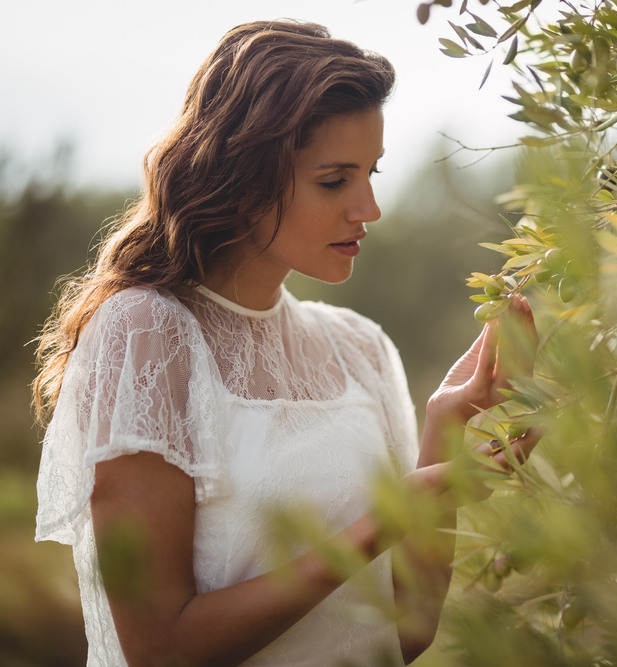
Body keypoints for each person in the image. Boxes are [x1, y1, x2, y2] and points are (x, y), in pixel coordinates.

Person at [32, 20, 541, 667]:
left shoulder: (360, 348)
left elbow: (406, 630)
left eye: (371, 173)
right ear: (244, 177)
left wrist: (448, 423)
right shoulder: (146, 333)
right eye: (335, 180)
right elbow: (158, 650)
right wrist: (383, 521)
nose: (370, 207)